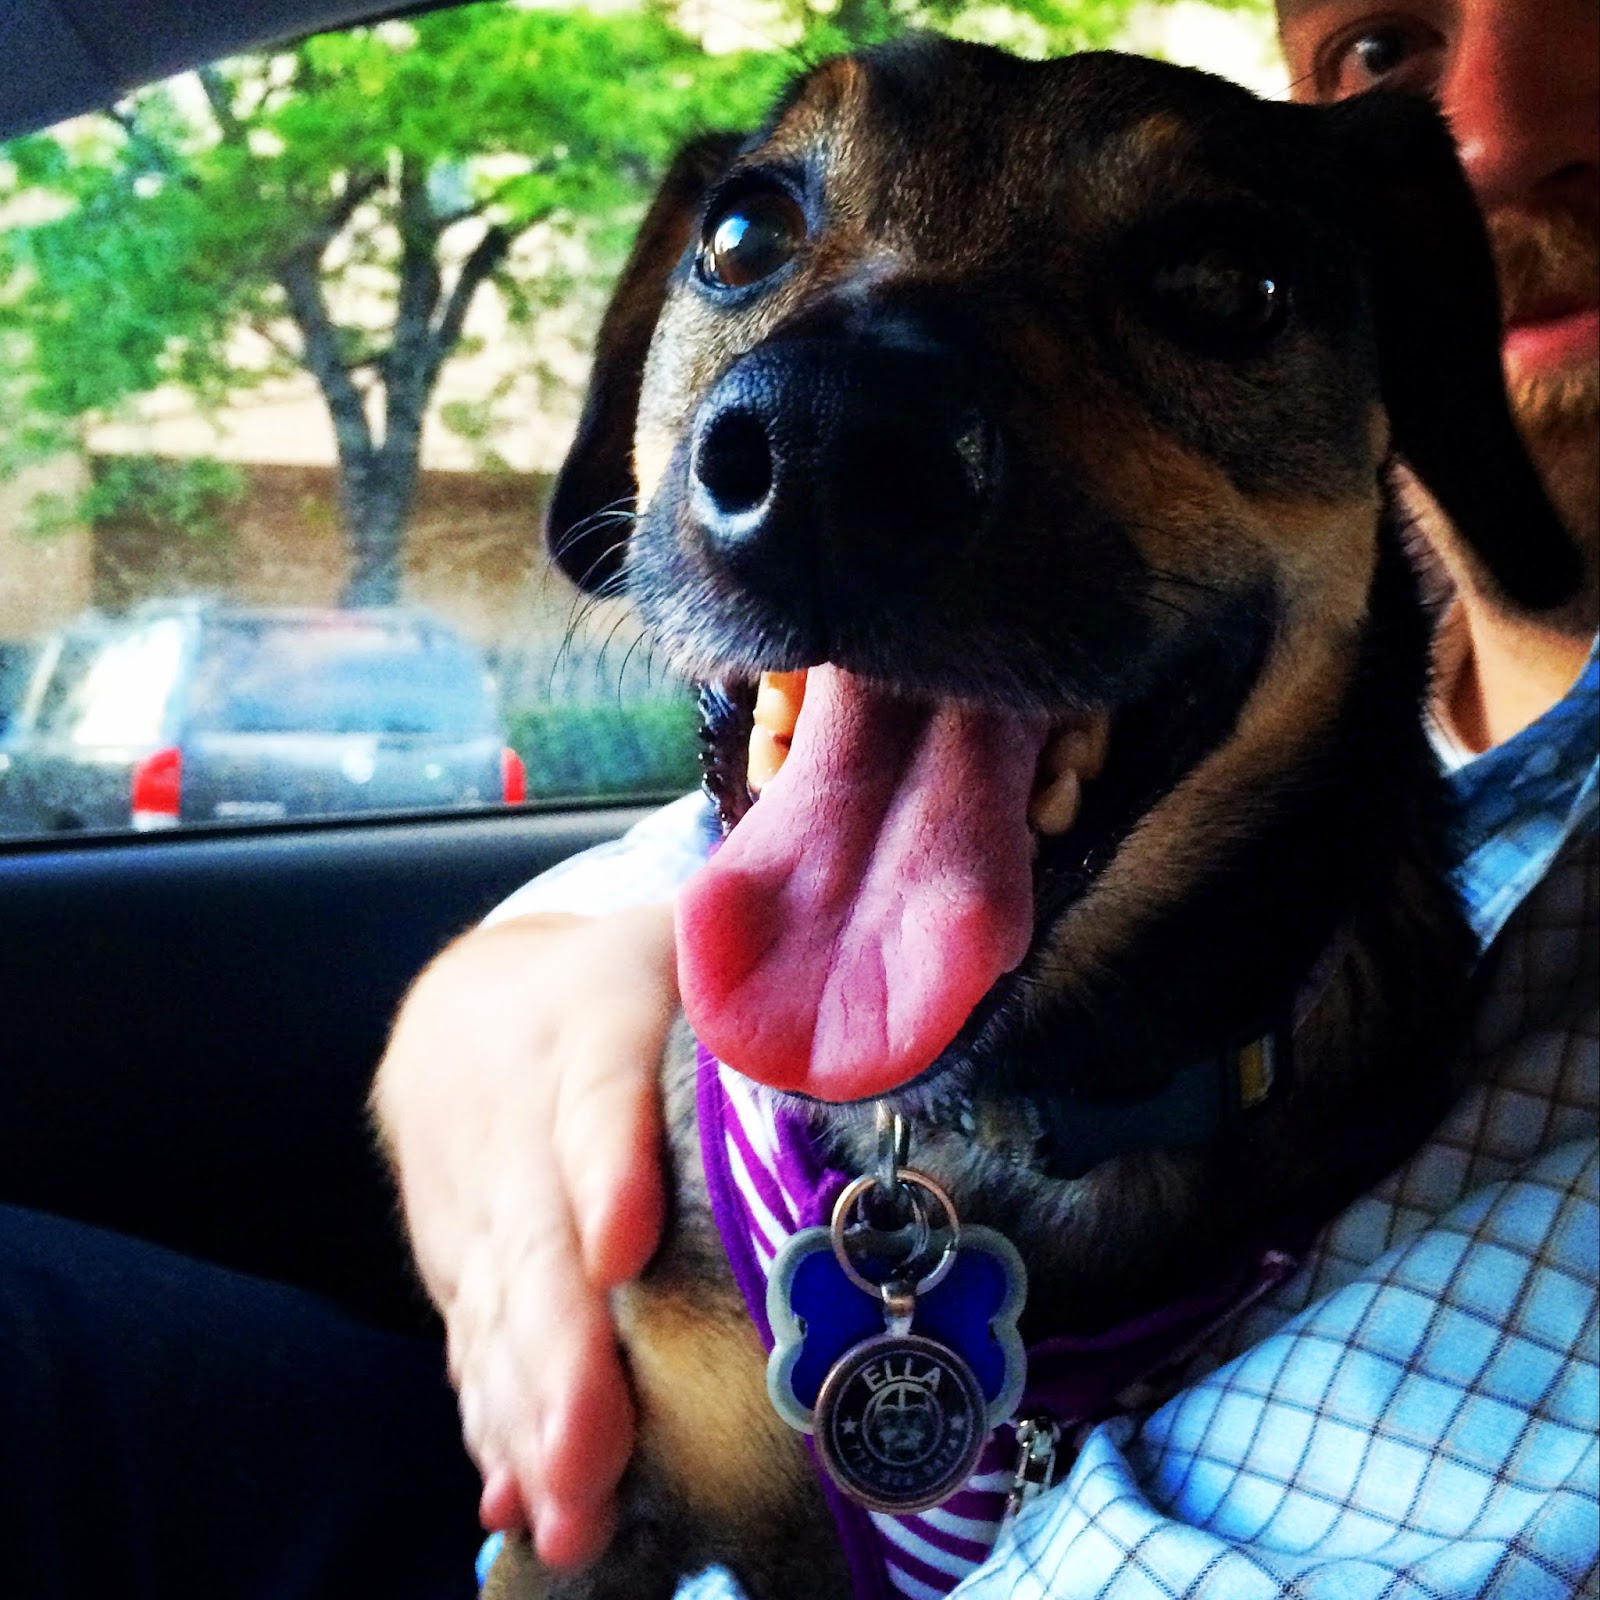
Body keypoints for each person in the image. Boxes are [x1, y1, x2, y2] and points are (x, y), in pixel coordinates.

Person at [373, 0, 1599, 1591]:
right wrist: (499, 981)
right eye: (752, 242)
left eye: (1212, 289)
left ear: (1410, 375)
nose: (828, 427)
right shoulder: (771, 922)